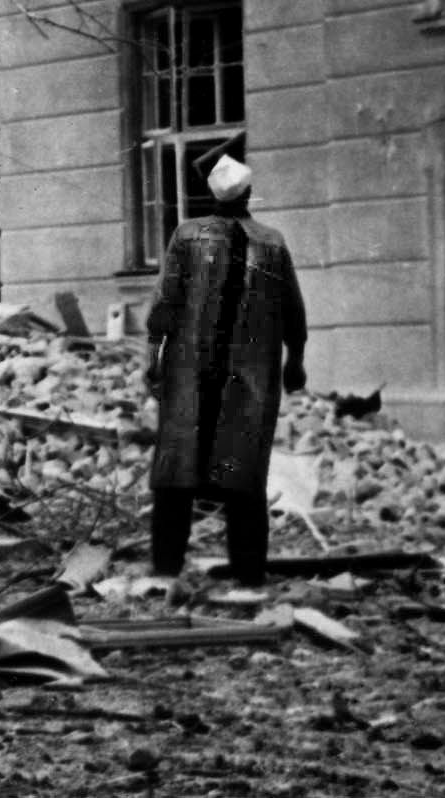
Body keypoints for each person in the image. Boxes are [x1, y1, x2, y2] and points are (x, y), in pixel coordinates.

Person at [144, 156, 307, 587]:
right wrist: (297, 360)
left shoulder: (187, 236)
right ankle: (248, 574)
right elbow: (294, 310)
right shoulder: (272, 242)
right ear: (249, 194)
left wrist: (152, 353)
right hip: (248, 379)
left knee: (177, 474)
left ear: (211, 196)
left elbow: (166, 301)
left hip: (190, 373)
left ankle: (165, 569)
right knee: (243, 476)